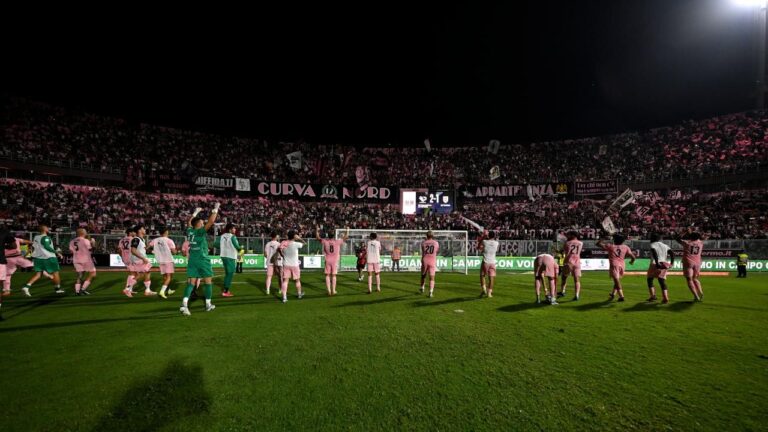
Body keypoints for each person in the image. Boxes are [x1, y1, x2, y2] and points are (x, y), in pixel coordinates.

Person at [180, 203, 220, 316]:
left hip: (192, 259)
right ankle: (208, 304)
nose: (203, 223)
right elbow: (211, 222)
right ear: (198, 224)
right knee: (208, 282)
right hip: (202, 259)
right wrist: (216, 209)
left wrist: (195, 212)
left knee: (191, 283)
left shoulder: (190, 231)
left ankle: (184, 305)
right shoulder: (199, 232)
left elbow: (189, 222)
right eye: (202, 222)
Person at [21, 224, 64, 296]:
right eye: (47, 227)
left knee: (38, 274)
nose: (48, 228)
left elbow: (33, 247)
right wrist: (57, 253)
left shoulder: (36, 237)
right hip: (49, 258)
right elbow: (47, 247)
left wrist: (27, 255)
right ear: (44, 229)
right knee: (55, 273)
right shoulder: (46, 237)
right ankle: (58, 289)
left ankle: (26, 287)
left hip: (38, 259)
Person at [596, 234, 637, 302]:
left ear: (614, 240)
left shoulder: (611, 246)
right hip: (622, 265)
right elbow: (633, 257)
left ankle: (621, 296)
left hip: (614, 264)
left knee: (616, 281)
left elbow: (598, 244)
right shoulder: (626, 247)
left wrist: (603, 238)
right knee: (617, 280)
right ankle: (613, 294)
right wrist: (631, 262)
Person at [317, 227, 349, 296]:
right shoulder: (337, 241)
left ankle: (328, 290)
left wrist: (317, 230)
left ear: (328, 235)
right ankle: (333, 290)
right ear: (334, 235)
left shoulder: (325, 241)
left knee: (327, 275)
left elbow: (317, 238)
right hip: (334, 261)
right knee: (334, 275)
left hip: (327, 260)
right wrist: (347, 230)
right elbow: (346, 237)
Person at [149, 228, 177, 299]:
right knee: (169, 277)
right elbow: (174, 252)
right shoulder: (169, 240)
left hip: (160, 260)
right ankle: (162, 291)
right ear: (166, 232)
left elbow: (148, 246)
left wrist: (154, 251)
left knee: (165, 276)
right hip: (168, 260)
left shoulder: (155, 240)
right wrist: (176, 251)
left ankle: (168, 290)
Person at [676, 230, 704, 302]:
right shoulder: (701, 243)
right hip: (697, 262)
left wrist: (684, 232)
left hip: (688, 262)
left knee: (689, 279)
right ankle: (700, 292)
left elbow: (677, 238)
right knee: (695, 279)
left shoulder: (687, 243)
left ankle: (696, 296)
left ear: (690, 237)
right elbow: (700, 237)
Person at [278, 230, 306, 303]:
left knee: (285, 281)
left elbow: (279, 250)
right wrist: (299, 238)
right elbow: (305, 243)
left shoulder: (283, 243)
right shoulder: (296, 244)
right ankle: (299, 294)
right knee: (297, 280)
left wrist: (282, 255)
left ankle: (284, 297)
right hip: (295, 265)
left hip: (286, 264)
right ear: (294, 236)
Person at [130, 225, 157, 296]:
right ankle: (147, 291)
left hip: (140, 259)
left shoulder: (142, 239)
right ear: (139, 230)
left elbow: (143, 250)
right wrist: (143, 258)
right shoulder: (136, 239)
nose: (145, 230)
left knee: (141, 274)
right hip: (140, 259)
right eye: (143, 229)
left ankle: (128, 288)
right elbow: (133, 250)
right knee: (147, 272)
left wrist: (152, 250)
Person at [647, 233, 673, 304]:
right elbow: (672, 253)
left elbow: (654, 252)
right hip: (664, 264)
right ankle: (665, 298)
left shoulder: (652, 244)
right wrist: (671, 263)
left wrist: (657, 261)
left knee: (650, 279)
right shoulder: (665, 245)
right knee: (662, 281)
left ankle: (653, 296)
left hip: (655, 264)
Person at [217, 223, 243, 297]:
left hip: (223, 256)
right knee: (230, 274)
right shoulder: (232, 237)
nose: (235, 229)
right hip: (230, 256)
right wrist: (240, 249)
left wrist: (223, 246)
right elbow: (237, 247)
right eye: (233, 228)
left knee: (227, 273)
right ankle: (225, 291)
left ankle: (226, 289)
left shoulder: (221, 236)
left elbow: (215, 244)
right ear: (230, 229)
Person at [69, 228, 96, 295]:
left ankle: (77, 291)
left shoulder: (72, 241)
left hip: (76, 259)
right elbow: (91, 250)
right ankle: (83, 289)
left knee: (80, 275)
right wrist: (93, 243)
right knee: (93, 273)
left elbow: (71, 251)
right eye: (85, 231)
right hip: (86, 259)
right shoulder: (85, 240)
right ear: (82, 233)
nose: (86, 232)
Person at [559, 231, 583, 301]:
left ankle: (563, 291)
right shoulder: (581, 243)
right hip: (577, 262)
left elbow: (563, 251)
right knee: (577, 280)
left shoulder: (567, 243)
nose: (568, 236)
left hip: (568, 261)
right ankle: (577, 295)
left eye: (569, 235)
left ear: (573, 235)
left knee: (564, 277)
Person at [477, 230, 499, 298]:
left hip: (486, 261)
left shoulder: (485, 241)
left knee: (482, 275)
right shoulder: (497, 243)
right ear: (494, 236)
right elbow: (497, 250)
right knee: (491, 278)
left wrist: (483, 236)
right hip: (493, 262)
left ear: (488, 235)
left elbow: (478, 246)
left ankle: (484, 290)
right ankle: (489, 293)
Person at [419, 231, 440, 297]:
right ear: (433, 236)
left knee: (423, 275)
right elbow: (436, 251)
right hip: (432, 260)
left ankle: (422, 287)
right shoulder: (436, 243)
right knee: (432, 277)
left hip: (425, 260)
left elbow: (423, 251)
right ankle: (431, 292)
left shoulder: (423, 243)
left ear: (426, 236)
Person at [119, 227, 137, 297]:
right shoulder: (132, 239)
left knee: (131, 273)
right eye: (133, 232)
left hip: (125, 258)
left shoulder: (121, 240)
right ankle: (127, 289)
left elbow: (119, 250)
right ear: (130, 233)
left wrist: (122, 257)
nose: (134, 233)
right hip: (131, 258)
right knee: (134, 274)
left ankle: (130, 289)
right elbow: (135, 250)